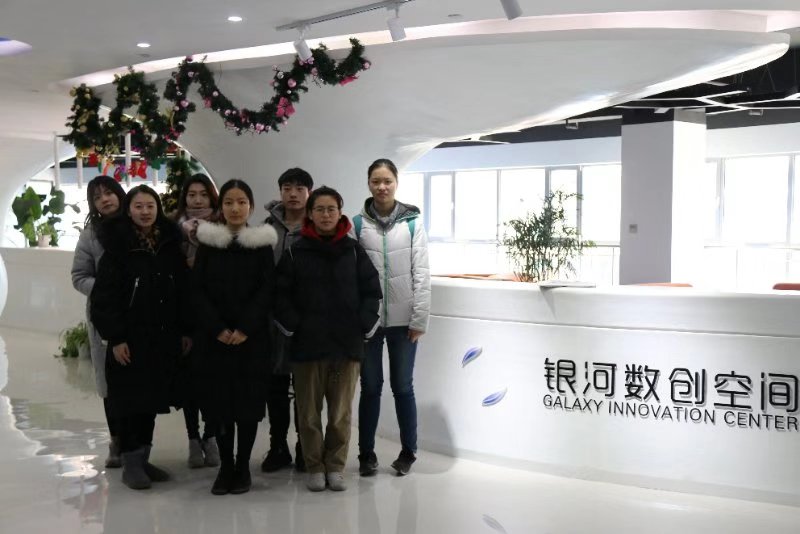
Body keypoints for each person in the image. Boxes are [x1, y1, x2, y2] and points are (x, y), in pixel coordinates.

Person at [275, 186, 382, 492]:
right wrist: (294, 326)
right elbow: (280, 295)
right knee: (308, 415)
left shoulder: (353, 251)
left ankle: (335, 466)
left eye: (331, 209)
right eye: (319, 209)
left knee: (340, 414)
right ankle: (314, 466)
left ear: (339, 212)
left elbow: (372, 291)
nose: (325, 215)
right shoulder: (296, 251)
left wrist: (362, 326)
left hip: (346, 347)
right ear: (310, 214)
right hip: (307, 347)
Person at [91, 185, 191, 490]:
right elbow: (104, 298)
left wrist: (185, 330)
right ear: (128, 210)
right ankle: (131, 462)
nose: (145, 212)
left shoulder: (169, 243)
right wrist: (116, 337)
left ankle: (144, 458)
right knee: (129, 401)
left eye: (150, 206)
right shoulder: (118, 246)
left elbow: (183, 291)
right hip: (130, 340)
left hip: (161, 337)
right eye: (138, 206)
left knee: (151, 400)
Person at [193, 179, 277, 495]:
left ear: (251, 207)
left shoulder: (261, 245)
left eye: (242, 202)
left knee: (247, 407)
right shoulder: (208, 243)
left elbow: (267, 291)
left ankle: (242, 467)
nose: (235, 208)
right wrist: (217, 328)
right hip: (215, 340)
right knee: (220, 406)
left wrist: (245, 328)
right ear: (221, 207)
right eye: (229, 202)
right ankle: (225, 467)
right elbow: (197, 290)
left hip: (251, 341)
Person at [353, 158, 431, 477]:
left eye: (387, 181)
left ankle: (408, 451)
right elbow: (352, 277)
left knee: (403, 387)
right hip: (369, 323)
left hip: (403, 322)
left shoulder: (412, 223)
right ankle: (366, 453)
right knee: (370, 387)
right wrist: (358, 319)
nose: (382, 187)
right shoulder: (358, 225)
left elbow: (422, 272)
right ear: (368, 184)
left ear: (396, 182)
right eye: (376, 181)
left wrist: (419, 318)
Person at [71, 175, 126, 468]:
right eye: (97, 197)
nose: (104, 199)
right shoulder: (90, 235)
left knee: (137, 382)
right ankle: (116, 441)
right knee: (110, 385)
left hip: (139, 317)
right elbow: (79, 277)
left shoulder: (136, 225)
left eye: (109, 193)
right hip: (105, 318)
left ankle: (138, 447)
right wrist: (108, 289)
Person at [261, 167, 313, 474]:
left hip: (307, 321)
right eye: (287, 188)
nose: (292, 194)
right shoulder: (267, 227)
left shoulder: (316, 224)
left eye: (299, 188)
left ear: (309, 192)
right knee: (276, 388)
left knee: (305, 388)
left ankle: (305, 447)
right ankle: (277, 446)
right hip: (273, 322)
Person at [174, 174, 221, 469]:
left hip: (215, 317)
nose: (198, 200)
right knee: (189, 382)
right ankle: (193, 437)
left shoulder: (222, 228)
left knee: (213, 382)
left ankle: (211, 435)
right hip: (185, 317)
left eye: (203, 194)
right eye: (192, 194)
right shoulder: (173, 230)